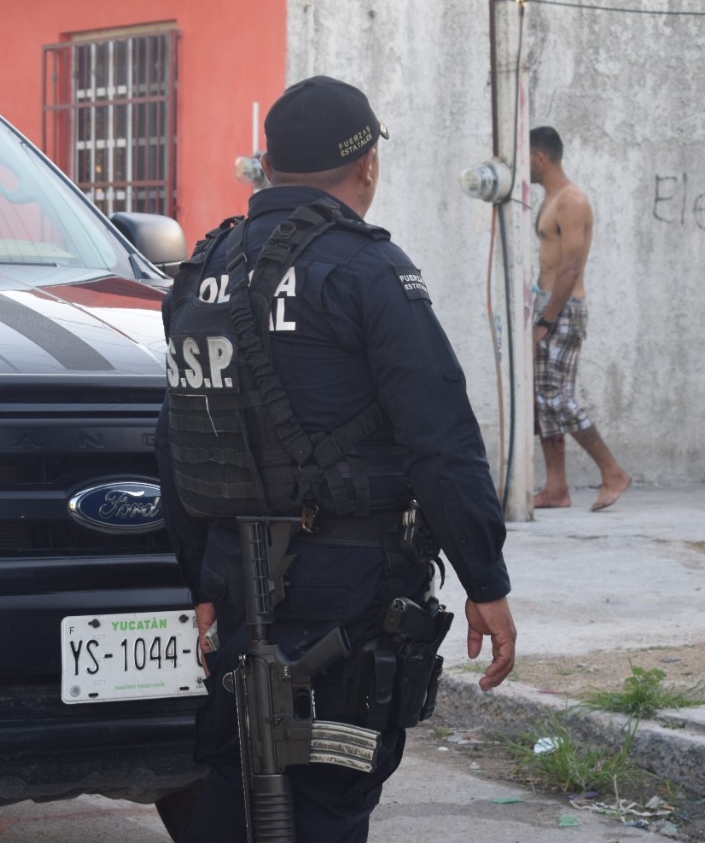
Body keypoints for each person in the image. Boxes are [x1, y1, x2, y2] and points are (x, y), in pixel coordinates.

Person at [155, 75, 517, 842]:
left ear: (268, 163)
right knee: (326, 796)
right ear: (368, 166)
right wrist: (484, 576)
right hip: (345, 582)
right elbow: (441, 437)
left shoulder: (201, 269)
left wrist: (203, 578)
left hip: (235, 574)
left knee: (235, 782)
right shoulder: (367, 272)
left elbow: (180, 434)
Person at [529, 125, 631, 512]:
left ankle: (613, 471)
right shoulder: (550, 198)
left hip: (563, 309)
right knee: (542, 398)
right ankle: (556, 488)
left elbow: (571, 267)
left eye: (526, 160)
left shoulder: (571, 201)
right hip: (547, 307)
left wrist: (547, 321)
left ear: (540, 158)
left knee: (556, 395)